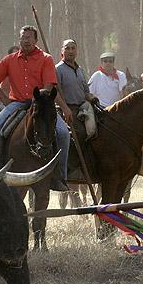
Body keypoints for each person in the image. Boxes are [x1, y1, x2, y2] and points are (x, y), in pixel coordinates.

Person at [0, 26, 67, 190]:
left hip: (41, 103)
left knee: (63, 133)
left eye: (29, 37)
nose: (26, 40)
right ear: (19, 40)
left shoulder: (46, 58)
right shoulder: (10, 59)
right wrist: (4, 98)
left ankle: (59, 176)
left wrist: (41, 98)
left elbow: (49, 83)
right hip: (17, 103)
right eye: (23, 38)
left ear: (35, 41)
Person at [55, 39, 99, 184]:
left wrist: (92, 97)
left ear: (77, 51)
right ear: (62, 51)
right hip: (67, 109)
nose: (70, 51)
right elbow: (55, 92)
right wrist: (64, 108)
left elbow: (85, 92)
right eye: (67, 48)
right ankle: (71, 168)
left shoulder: (80, 70)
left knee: (102, 128)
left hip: (83, 107)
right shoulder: (58, 69)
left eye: (73, 48)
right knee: (78, 134)